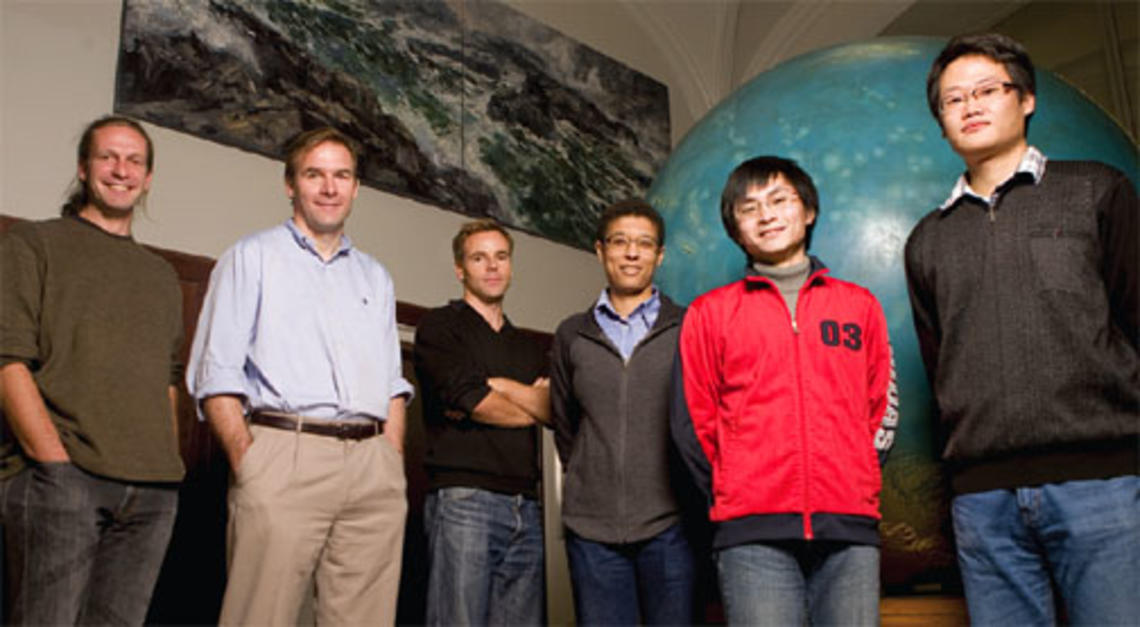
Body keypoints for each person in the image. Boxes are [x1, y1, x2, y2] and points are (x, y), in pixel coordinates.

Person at [905, 33, 1138, 625]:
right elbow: (940, 362)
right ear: (941, 124)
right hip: (982, 502)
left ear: (1026, 99)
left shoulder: (1097, 190)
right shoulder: (928, 239)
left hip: (1102, 485)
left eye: (987, 90)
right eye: (953, 100)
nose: (971, 106)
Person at [186, 127, 412, 625]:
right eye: (315, 174)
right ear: (291, 185)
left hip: (373, 468)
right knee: (261, 616)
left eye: (342, 176)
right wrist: (252, 462)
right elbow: (215, 373)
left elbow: (394, 382)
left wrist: (390, 457)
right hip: (284, 455)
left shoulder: (375, 276)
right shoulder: (252, 257)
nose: (329, 188)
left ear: (356, 188)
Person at [672, 156, 898, 625]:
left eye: (779, 200)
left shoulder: (859, 306)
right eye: (749, 208)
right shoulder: (709, 314)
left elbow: (880, 406)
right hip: (752, 533)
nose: (767, 215)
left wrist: (851, 473)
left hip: (848, 525)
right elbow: (693, 420)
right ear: (735, 228)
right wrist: (735, 486)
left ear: (808, 210)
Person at [0, 115, 184, 625]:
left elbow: (168, 379)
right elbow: (8, 358)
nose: (120, 170)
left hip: (151, 492)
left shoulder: (161, 276)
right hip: (64, 479)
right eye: (108, 157)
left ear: (148, 178)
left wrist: (163, 463)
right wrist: (53, 463)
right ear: (84, 168)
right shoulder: (33, 244)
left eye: (134, 161)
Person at [550, 199, 694, 625]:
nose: (632, 253)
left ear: (659, 255)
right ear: (600, 250)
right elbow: (565, 424)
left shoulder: (688, 328)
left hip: (672, 528)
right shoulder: (571, 334)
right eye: (620, 242)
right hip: (591, 534)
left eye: (644, 244)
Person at [413, 219, 549, 625]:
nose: (492, 266)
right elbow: (476, 403)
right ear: (461, 269)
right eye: (479, 257)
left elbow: (555, 410)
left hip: (529, 505)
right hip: (464, 502)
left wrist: (500, 386)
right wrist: (527, 403)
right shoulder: (441, 328)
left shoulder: (529, 347)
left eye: (501, 257)